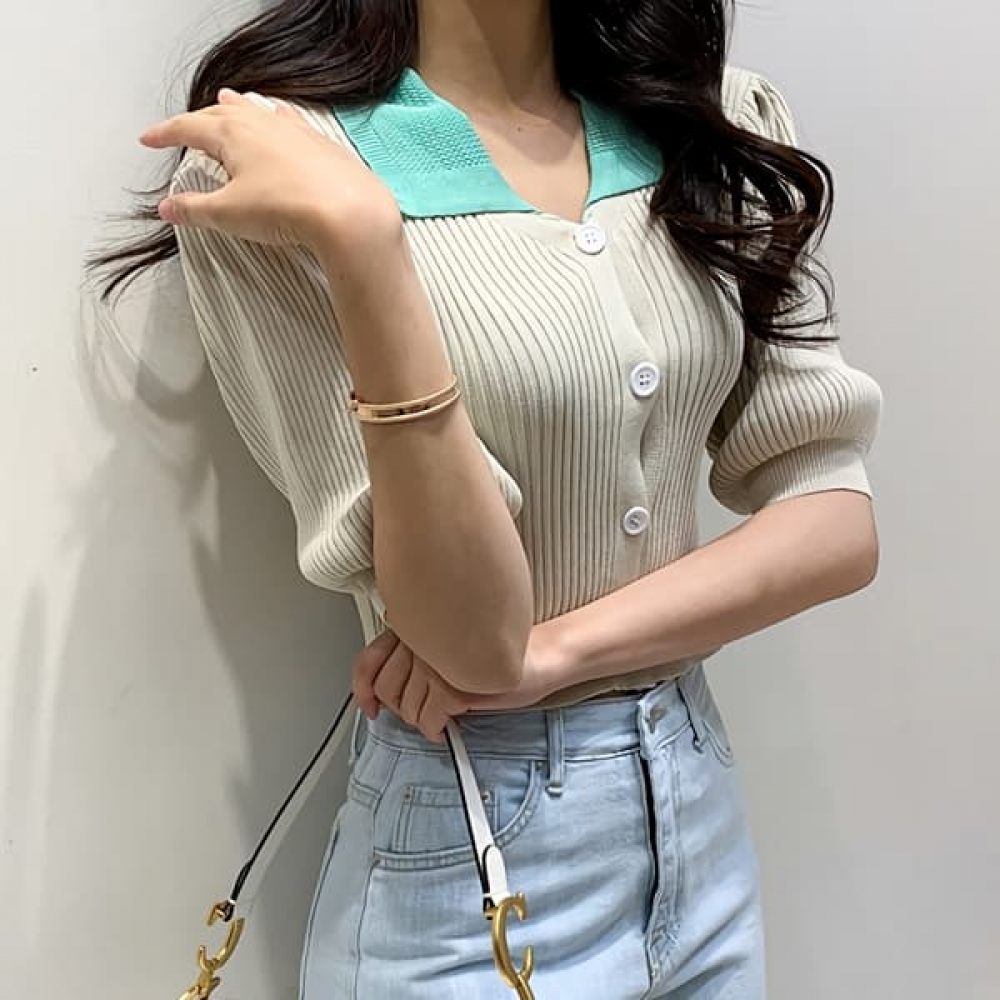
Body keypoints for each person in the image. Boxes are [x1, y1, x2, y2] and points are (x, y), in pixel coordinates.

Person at [91, 1, 882, 996]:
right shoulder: (285, 169)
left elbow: (833, 518)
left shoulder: (707, 117)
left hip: (699, 823)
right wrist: (367, 243)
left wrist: (555, 653)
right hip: (465, 856)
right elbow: (468, 640)